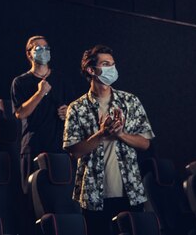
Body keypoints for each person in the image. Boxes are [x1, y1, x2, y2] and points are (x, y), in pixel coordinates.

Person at [63, 45, 155, 235]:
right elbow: (74, 151)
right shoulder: (77, 108)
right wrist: (102, 134)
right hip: (93, 195)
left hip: (130, 192)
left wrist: (121, 134)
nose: (111, 69)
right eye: (105, 64)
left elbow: (145, 143)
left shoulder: (130, 101)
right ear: (91, 70)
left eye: (113, 64)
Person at [11, 35, 73, 193]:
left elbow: (73, 110)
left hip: (59, 148)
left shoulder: (61, 79)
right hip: (33, 146)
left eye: (46, 48)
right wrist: (40, 93)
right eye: (39, 49)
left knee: (61, 195)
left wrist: (68, 113)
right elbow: (20, 113)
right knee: (34, 195)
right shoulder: (20, 82)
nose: (44, 52)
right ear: (29, 54)